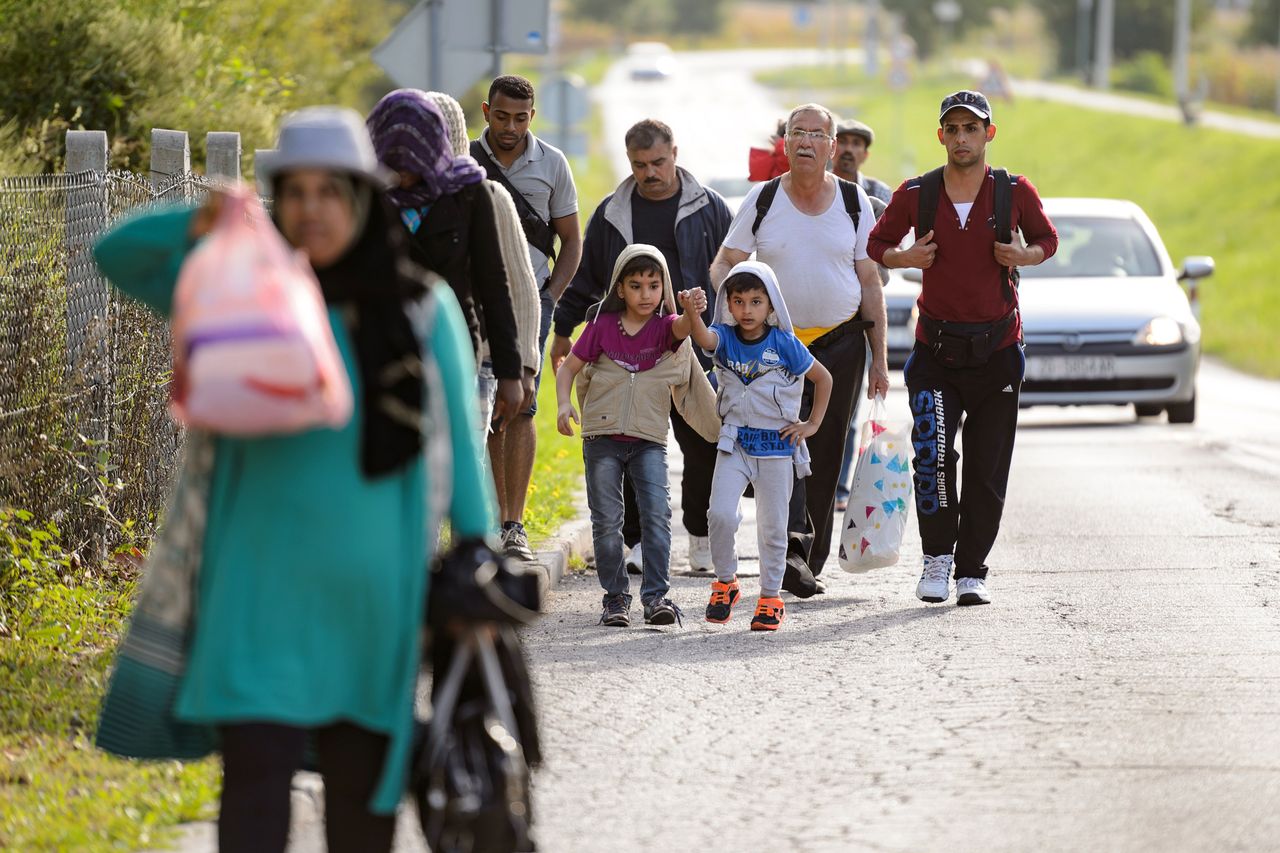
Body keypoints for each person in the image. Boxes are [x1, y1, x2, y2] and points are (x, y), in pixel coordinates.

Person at [92, 107, 496, 851]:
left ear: (363, 197)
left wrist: (478, 550)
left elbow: (460, 448)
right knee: (251, 791)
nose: (312, 210)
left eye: (330, 191)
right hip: (253, 592)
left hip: (371, 604)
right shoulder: (242, 290)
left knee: (358, 813)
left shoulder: (418, 304)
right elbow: (116, 252)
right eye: (296, 193)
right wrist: (205, 219)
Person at [868, 89, 1058, 606]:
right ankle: (937, 558)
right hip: (936, 352)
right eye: (951, 129)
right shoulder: (917, 192)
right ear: (941, 136)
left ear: (988, 134)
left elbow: (1048, 240)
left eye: (970, 128)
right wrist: (906, 256)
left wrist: (1025, 253)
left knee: (986, 468)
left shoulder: (1013, 191)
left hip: (997, 352)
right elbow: (877, 245)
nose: (961, 138)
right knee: (931, 456)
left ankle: (973, 571)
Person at [711, 102, 890, 599]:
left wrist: (880, 357)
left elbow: (869, 280)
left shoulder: (855, 202)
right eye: (798, 133)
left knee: (828, 450)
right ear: (785, 143)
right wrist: (735, 326)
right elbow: (727, 260)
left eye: (817, 134)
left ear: (833, 146)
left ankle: (808, 558)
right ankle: (789, 550)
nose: (807, 141)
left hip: (842, 342)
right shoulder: (764, 198)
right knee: (782, 444)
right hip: (776, 346)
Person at [549, 118, 731, 575]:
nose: (650, 172)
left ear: (675, 152)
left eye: (658, 162)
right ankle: (634, 544)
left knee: (704, 440)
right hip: (626, 351)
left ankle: (700, 536)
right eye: (639, 164)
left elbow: (734, 276)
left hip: (689, 346)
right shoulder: (613, 212)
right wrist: (564, 328)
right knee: (630, 445)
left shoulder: (710, 208)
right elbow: (588, 274)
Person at [555, 244, 719, 628]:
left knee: (657, 517)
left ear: (664, 288)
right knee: (607, 522)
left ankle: (656, 597)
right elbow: (568, 370)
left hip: (648, 441)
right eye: (636, 285)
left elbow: (685, 327)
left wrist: (692, 310)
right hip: (601, 440)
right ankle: (615, 600)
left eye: (653, 285)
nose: (645, 294)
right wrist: (564, 405)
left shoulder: (667, 330)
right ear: (619, 289)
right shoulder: (600, 328)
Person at [681, 261, 832, 632]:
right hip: (735, 444)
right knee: (718, 514)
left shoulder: (784, 343)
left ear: (771, 305)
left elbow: (823, 378)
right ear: (728, 304)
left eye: (756, 301)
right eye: (738, 301)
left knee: (773, 527)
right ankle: (726, 582)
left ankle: (769, 597)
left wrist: (811, 424)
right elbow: (703, 340)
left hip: (778, 449)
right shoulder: (725, 336)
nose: (746, 310)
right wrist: (690, 312)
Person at [366, 89, 526, 431]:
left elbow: (494, 284)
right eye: (393, 163)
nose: (402, 175)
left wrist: (510, 372)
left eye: (412, 163)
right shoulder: (366, 198)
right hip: (382, 346)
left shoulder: (468, 193)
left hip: (451, 342)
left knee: (452, 454)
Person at [472, 74, 583, 561]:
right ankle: (486, 523)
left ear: (532, 117)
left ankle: (514, 525)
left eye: (520, 117)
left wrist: (551, 296)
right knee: (483, 404)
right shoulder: (465, 161)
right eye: (501, 116)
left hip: (530, 302)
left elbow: (571, 241)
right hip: (474, 304)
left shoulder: (553, 164)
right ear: (485, 111)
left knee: (523, 405)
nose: (510, 126)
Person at [424, 89, 544, 448]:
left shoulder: (488, 196)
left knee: (465, 458)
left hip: (483, 358)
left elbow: (519, 289)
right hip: (414, 358)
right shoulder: (392, 200)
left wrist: (522, 368)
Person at [831, 116, 892, 512]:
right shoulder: (813, 191)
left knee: (850, 408)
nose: (850, 149)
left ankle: (837, 488)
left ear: (866, 153)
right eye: (844, 142)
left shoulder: (877, 195)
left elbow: (885, 264)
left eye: (858, 143)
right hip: (818, 318)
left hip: (861, 318)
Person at [832, 118, 893, 203]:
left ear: (865, 155)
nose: (848, 149)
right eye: (842, 142)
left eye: (856, 143)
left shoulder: (880, 193)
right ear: (831, 148)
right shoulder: (815, 187)